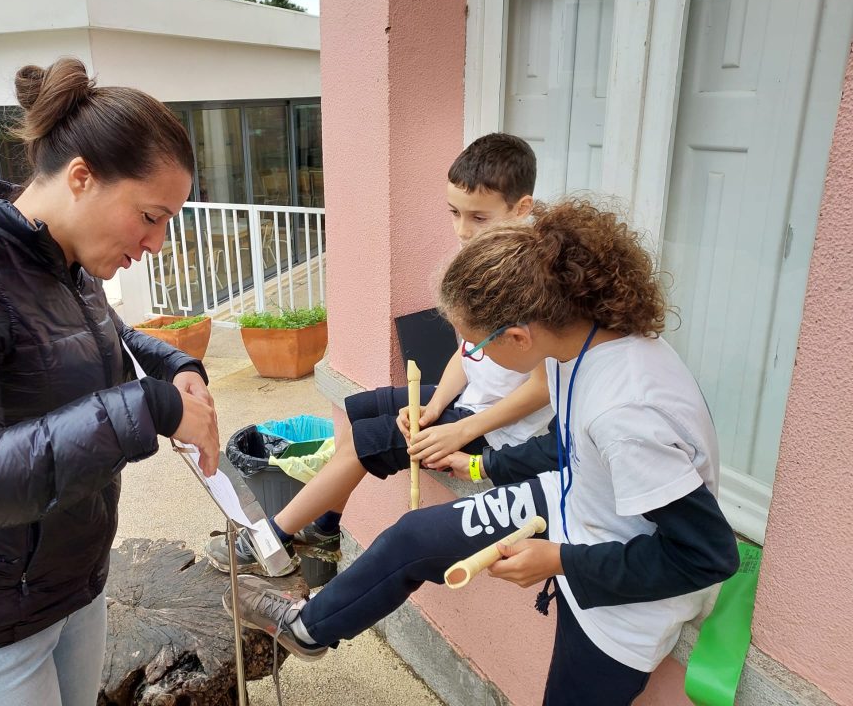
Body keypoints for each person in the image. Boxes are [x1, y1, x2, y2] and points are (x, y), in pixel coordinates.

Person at [225, 200, 741, 705]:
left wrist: (560, 560)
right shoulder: (577, 343)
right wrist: (482, 464)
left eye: (478, 346)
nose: (472, 356)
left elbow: (705, 557)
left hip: (623, 601)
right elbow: (569, 446)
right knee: (414, 537)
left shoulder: (625, 415)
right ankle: (308, 629)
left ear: (517, 336)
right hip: (578, 507)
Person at [0, 58, 221, 706]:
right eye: (150, 215)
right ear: (82, 177)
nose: (158, 243)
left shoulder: (70, 266)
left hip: (66, 597)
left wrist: (178, 368)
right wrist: (152, 408)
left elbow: (108, 341)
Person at [206, 133, 554, 575]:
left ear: (521, 208)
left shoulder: (535, 281)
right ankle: (326, 526)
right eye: (454, 213)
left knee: (366, 442)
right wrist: (434, 407)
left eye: (478, 217)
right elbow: (468, 355)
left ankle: (272, 539)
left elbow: (543, 390)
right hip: (470, 401)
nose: (463, 231)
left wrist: (459, 429)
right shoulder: (484, 258)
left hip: (500, 430)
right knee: (359, 410)